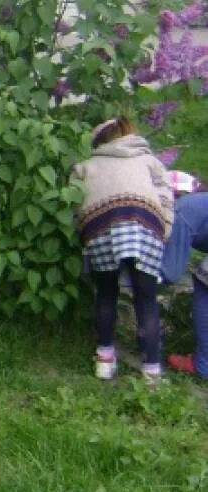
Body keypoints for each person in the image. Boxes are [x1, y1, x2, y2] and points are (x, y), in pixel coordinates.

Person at [71, 116, 172, 384]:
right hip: (146, 224)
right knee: (146, 299)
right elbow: (166, 197)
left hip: (103, 226)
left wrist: (84, 233)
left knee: (106, 293)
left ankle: (104, 358)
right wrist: (165, 230)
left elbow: (75, 203)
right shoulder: (149, 161)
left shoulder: (86, 166)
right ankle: (151, 369)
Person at [159, 173, 208, 377]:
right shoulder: (200, 203)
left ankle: (203, 364)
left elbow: (171, 272)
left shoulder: (180, 211)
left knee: (204, 283)